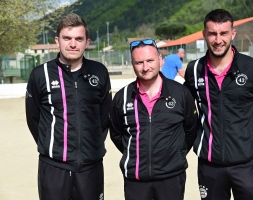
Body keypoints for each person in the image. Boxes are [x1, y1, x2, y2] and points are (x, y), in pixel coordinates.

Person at [184, 9, 253, 200]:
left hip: (245, 163)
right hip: (209, 164)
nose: (218, 40)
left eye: (223, 33)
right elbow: (185, 109)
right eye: (212, 33)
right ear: (204, 34)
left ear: (233, 34)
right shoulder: (194, 70)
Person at [25, 13, 112, 200]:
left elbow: (104, 117)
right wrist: (52, 146)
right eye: (67, 38)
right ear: (58, 40)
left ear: (86, 42)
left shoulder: (99, 72)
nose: (73, 44)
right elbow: (34, 119)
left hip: (91, 167)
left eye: (79, 39)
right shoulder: (41, 75)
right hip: (54, 168)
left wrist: (91, 146)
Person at [109, 39, 198, 200]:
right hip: (135, 179)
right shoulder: (122, 97)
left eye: (150, 60)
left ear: (160, 60)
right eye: (139, 62)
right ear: (132, 64)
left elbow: (191, 129)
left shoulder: (181, 93)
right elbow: (116, 134)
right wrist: (136, 154)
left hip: (171, 177)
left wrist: (175, 153)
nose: (145, 67)